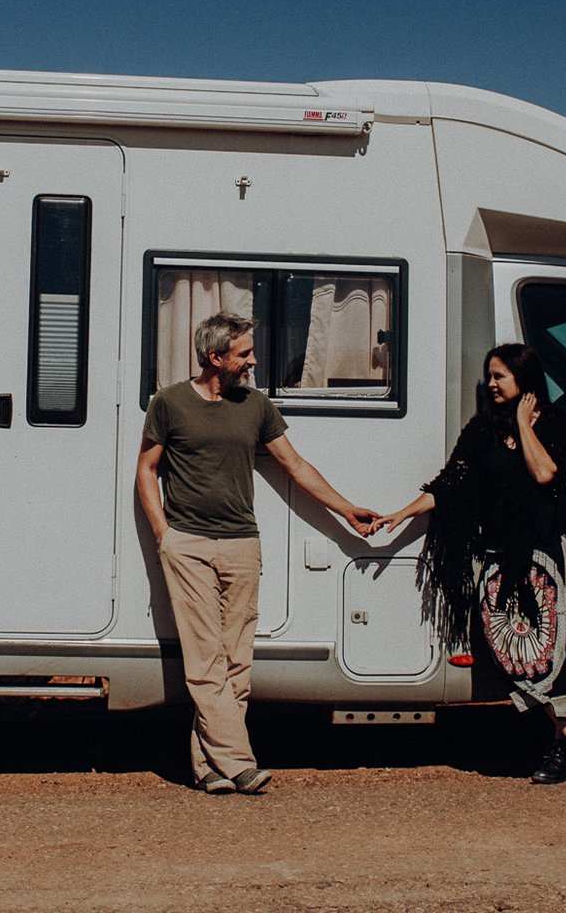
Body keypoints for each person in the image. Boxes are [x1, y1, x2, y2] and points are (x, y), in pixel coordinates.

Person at [137, 312, 377, 795]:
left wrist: (346, 508)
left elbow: (295, 465)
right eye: (244, 353)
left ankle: (207, 768)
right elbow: (146, 468)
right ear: (216, 357)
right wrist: (164, 532)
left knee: (235, 662)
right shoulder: (169, 403)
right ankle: (240, 763)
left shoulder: (255, 406)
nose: (252, 361)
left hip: (243, 542)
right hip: (189, 544)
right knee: (204, 660)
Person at [370, 342, 566, 783]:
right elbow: (451, 483)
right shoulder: (481, 429)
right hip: (498, 558)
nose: (490, 384)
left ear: (525, 383)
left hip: (545, 554)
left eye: (500, 377)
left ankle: (561, 744)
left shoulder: (552, 423)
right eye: (488, 376)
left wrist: (524, 426)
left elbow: (545, 472)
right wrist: (401, 513)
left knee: (552, 651)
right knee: (513, 650)